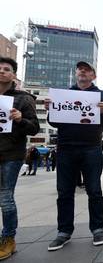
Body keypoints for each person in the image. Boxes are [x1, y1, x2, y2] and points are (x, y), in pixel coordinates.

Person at [45, 61, 103, 251]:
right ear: (76, 74)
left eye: (88, 69)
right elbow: (54, 122)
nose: (83, 71)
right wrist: (51, 109)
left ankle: (97, 228)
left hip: (91, 148)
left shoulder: (101, 95)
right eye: (80, 69)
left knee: (94, 190)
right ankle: (64, 232)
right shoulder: (64, 94)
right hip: (66, 148)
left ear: (93, 76)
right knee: (64, 191)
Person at [0, 57, 39, 260]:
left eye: (6, 69)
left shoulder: (23, 98)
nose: (2, 72)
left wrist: (20, 119)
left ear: (13, 74)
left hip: (11, 154)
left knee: (6, 198)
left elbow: (35, 127)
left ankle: (8, 239)